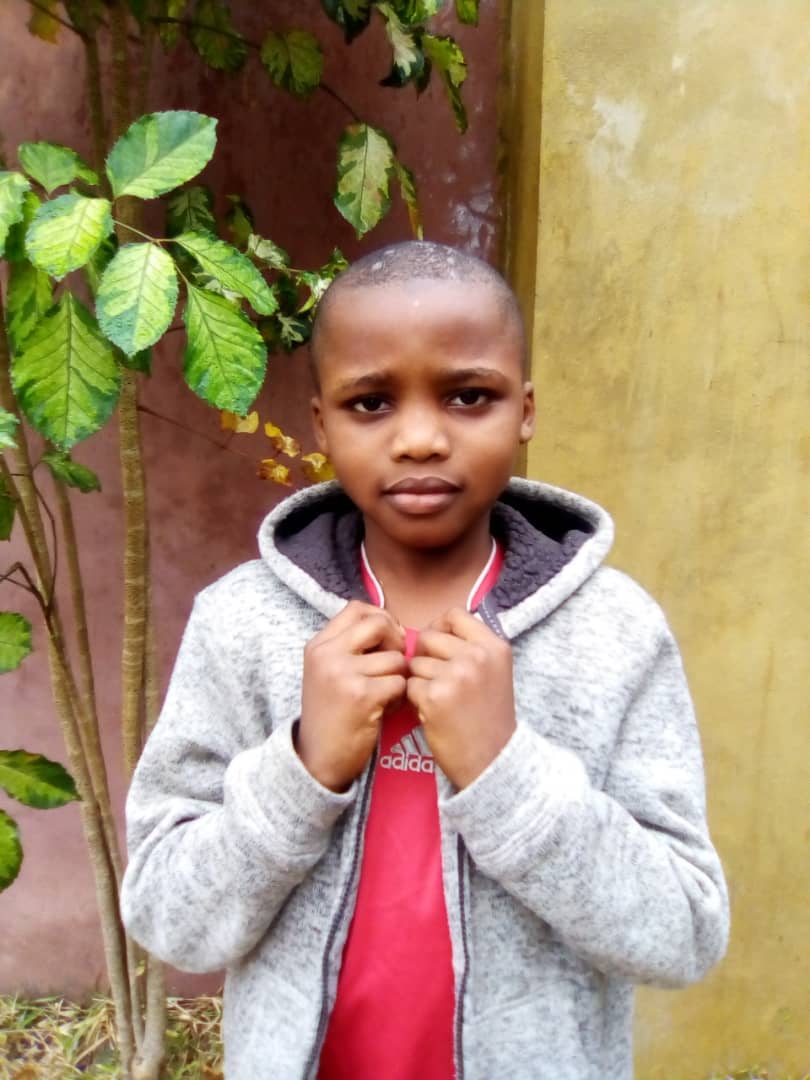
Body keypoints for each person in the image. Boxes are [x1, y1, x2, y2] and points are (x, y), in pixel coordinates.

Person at [120, 241, 729, 1080]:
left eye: (468, 396)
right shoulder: (240, 624)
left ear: (525, 409)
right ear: (322, 423)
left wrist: (508, 774)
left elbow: (684, 932)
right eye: (371, 403)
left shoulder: (616, 632)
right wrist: (303, 769)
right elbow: (168, 917)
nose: (418, 439)